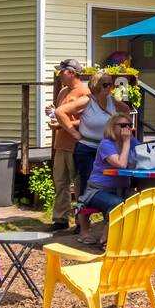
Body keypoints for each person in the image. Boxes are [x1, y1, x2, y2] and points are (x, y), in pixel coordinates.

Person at [75, 114, 137, 244]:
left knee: (141, 201)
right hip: (98, 190)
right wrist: (126, 142)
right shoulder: (106, 144)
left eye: (129, 125)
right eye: (123, 125)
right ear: (112, 127)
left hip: (122, 189)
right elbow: (121, 164)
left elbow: (145, 153)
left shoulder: (132, 142)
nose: (127, 129)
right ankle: (106, 237)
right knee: (118, 204)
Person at [45, 59, 90, 232]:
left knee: (78, 184)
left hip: (75, 144)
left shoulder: (85, 92)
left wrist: (64, 125)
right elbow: (61, 114)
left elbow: (87, 119)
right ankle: (61, 219)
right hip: (60, 143)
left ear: (71, 72)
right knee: (60, 183)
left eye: (61, 71)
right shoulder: (63, 91)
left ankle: (81, 222)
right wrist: (52, 114)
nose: (59, 74)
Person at [72, 72, 131, 192]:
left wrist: (121, 128)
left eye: (111, 85)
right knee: (88, 180)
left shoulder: (112, 100)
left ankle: (104, 205)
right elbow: (60, 112)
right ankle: (84, 206)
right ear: (96, 85)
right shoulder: (86, 100)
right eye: (105, 85)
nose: (109, 87)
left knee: (106, 180)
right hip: (88, 148)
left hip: (108, 147)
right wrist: (74, 133)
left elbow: (126, 109)